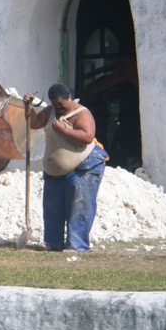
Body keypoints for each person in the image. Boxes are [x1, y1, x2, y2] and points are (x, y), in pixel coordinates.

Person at [24, 83, 108, 252]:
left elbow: (87, 136)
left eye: (61, 105)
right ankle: (53, 243)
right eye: (55, 105)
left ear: (69, 98)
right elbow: (34, 123)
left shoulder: (82, 114)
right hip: (54, 173)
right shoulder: (50, 112)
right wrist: (28, 107)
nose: (58, 108)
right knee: (52, 208)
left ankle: (77, 245)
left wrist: (63, 130)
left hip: (83, 168)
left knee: (79, 207)